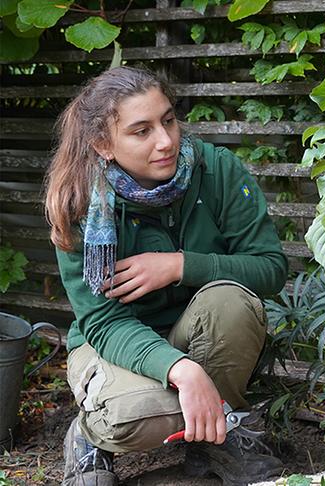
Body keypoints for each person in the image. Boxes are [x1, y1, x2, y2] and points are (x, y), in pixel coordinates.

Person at [44, 66, 290, 486]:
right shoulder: (80, 202)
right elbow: (104, 322)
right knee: (134, 418)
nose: (166, 141)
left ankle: (213, 440)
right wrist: (183, 370)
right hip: (112, 345)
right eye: (142, 131)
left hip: (197, 334)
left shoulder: (216, 170)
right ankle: (89, 434)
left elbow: (270, 268)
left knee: (232, 301)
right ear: (103, 144)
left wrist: (179, 265)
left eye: (169, 120)